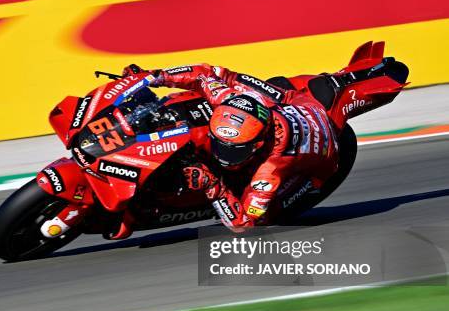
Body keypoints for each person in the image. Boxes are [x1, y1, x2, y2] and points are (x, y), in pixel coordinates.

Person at [121, 63, 340, 232]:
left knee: (263, 216)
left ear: (258, 145)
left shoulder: (270, 171)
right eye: (221, 145)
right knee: (220, 79)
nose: (223, 156)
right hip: (295, 102)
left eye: (235, 151)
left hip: (323, 160)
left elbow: (244, 225)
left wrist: (214, 188)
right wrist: (153, 77)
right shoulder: (229, 99)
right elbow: (202, 74)